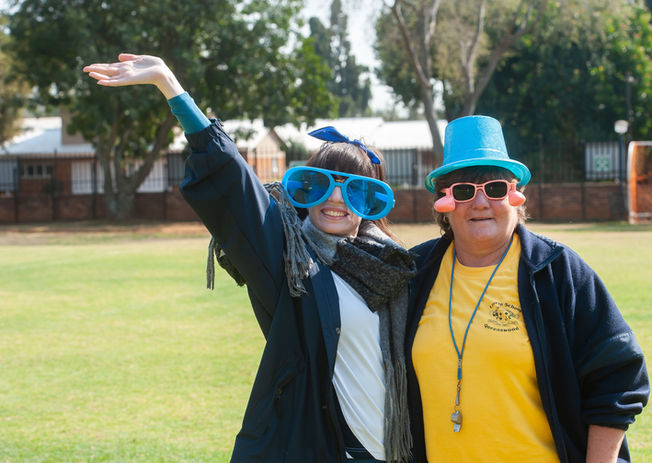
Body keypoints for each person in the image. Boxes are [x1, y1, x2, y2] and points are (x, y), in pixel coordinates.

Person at [83, 54, 415, 463]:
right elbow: (237, 187)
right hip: (329, 449)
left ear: (370, 201)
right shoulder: (292, 261)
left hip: (400, 449)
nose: (334, 199)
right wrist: (171, 86)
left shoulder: (396, 268)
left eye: (354, 190)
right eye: (320, 184)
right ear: (303, 190)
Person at [406, 115, 649, 463]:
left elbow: (619, 376)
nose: (480, 203)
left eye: (494, 188)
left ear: (515, 195)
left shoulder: (557, 270)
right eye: (463, 191)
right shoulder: (416, 271)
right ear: (444, 202)